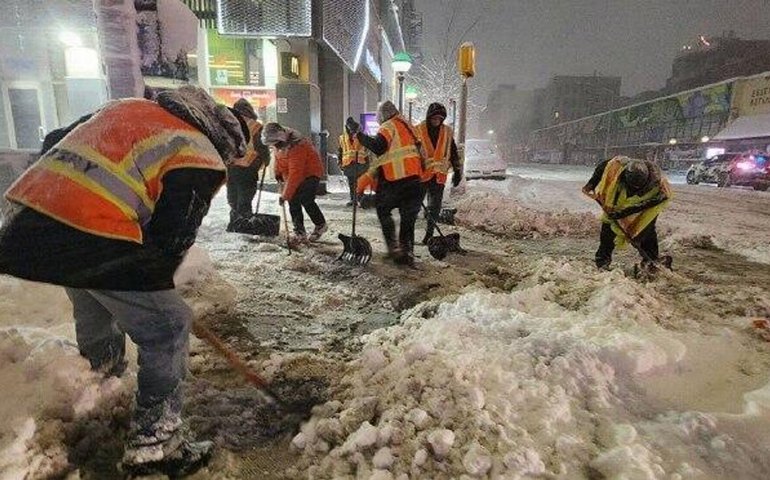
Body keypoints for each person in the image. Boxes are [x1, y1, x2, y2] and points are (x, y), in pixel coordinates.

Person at [0, 86, 247, 476]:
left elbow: (53, 141)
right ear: (223, 142)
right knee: (168, 325)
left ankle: (101, 385)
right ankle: (156, 444)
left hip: (28, 222)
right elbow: (171, 239)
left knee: (97, 302)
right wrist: (157, 286)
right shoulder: (200, 153)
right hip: (93, 233)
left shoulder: (130, 109)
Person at [347, 101, 424, 266]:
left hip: (397, 180)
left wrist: (358, 134)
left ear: (382, 116)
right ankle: (406, 251)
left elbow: (379, 146)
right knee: (408, 219)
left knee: (383, 210)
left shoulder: (389, 126)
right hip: (415, 181)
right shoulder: (409, 127)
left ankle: (394, 248)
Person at [582, 155, 672, 270]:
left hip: (647, 207)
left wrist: (624, 213)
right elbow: (602, 168)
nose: (632, 190)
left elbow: (655, 201)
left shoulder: (658, 184)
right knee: (608, 229)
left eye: (636, 188)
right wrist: (591, 184)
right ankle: (602, 262)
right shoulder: (616, 166)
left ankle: (651, 260)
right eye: (630, 186)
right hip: (618, 199)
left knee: (646, 230)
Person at [262, 122, 328, 245]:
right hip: (293, 174)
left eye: (274, 143)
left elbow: (296, 173)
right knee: (293, 201)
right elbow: (279, 160)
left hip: (310, 173)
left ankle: (320, 225)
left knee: (306, 199)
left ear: (280, 138)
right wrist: (277, 173)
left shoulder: (298, 146)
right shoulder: (279, 144)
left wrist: (285, 195)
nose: (274, 146)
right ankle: (299, 232)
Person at [415, 102, 462, 244]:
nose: (437, 121)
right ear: (429, 117)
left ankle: (429, 234)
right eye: (434, 118)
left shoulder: (447, 132)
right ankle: (407, 235)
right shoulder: (418, 130)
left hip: (438, 177)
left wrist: (457, 171)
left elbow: (453, 152)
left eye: (440, 119)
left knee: (434, 207)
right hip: (421, 176)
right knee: (414, 206)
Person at [226, 98, 270, 231]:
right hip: (248, 168)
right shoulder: (256, 126)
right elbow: (262, 147)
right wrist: (266, 160)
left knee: (233, 197)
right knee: (245, 198)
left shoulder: (228, 124)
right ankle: (244, 224)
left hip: (231, 167)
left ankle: (235, 221)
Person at [338, 121, 370, 206]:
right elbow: (340, 151)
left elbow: (366, 151)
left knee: (360, 182)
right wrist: (340, 162)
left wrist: (367, 163)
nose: (352, 131)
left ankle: (360, 199)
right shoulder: (342, 138)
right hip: (348, 163)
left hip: (360, 163)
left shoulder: (362, 137)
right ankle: (353, 200)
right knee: (351, 183)